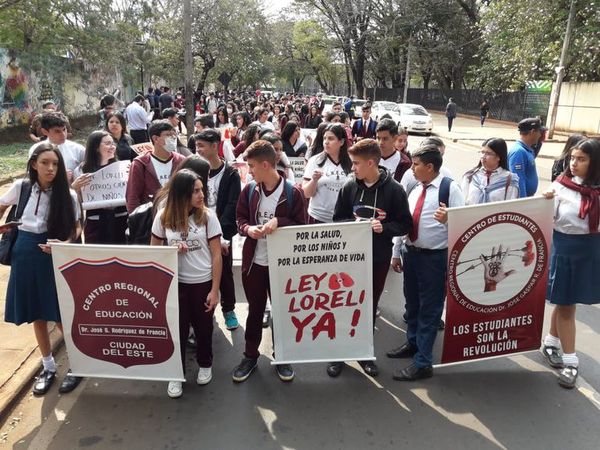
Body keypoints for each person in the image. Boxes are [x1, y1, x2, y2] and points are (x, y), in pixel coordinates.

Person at [0, 142, 82, 395]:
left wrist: (65, 243)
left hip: (51, 253)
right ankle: (48, 367)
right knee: (36, 313)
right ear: (34, 164)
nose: (50, 168)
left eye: (55, 164)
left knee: (58, 313)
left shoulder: (67, 195)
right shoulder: (21, 187)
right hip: (23, 251)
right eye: (45, 163)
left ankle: (77, 365)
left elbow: (76, 227)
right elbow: (2, 205)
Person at [327, 139, 412, 378]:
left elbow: (405, 223)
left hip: (377, 259)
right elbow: (337, 220)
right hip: (348, 260)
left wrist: (383, 228)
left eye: (356, 163)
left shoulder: (394, 190)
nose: (352, 168)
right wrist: (354, 226)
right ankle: (338, 354)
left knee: (368, 306)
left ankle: (364, 353)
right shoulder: (349, 186)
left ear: (371, 163)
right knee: (344, 305)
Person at [232, 140, 306, 383]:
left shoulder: (292, 192)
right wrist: (248, 229)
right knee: (254, 310)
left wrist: (279, 222)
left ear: (265, 164)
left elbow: (302, 227)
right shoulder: (250, 190)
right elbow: (240, 218)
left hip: (283, 265)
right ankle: (250, 355)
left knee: (283, 311)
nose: (249, 171)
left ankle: (282, 356)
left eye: (251, 166)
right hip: (255, 262)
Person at [389, 145, 465, 381]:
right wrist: (396, 251)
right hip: (411, 254)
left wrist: (449, 219)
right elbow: (405, 221)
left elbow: (464, 228)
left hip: (434, 259)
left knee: (429, 310)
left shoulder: (449, 188)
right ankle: (412, 343)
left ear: (430, 167)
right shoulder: (414, 188)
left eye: (416, 164)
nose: (412, 168)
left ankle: (423, 362)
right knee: (412, 304)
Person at [151, 170, 222, 398]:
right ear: (182, 193)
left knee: (203, 328)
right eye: (195, 191)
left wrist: (214, 290)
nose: (201, 195)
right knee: (177, 331)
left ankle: (205, 364)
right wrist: (171, 251)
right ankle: (176, 373)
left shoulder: (208, 217)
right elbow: (153, 252)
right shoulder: (163, 216)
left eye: (202, 190)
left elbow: (216, 255)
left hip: (202, 283)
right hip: (175, 285)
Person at [541, 138, 600, 389]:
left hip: (590, 250)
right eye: (572, 158)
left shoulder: (597, 190)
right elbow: (542, 218)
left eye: (581, 159)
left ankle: (551, 343)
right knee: (566, 305)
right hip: (564, 248)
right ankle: (571, 362)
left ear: (594, 163)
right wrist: (545, 201)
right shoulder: (560, 187)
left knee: (568, 301)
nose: (573, 163)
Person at [194, 130, 241, 331]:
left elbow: (233, 205)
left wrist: (219, 235)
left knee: (224, 273)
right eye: (197, 147)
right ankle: (206, 311)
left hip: (221, 234)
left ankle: (228, 309)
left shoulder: (230, 173)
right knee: (202, 274)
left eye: (202, 146)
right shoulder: (195, 172)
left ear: (215, 146)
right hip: (197, 231)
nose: (199, 151)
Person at [71, 131, 128, 244]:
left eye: (113, 143)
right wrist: (75, 188)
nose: (112, 147)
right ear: (96, 147)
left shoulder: (122, 168)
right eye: (107, 143)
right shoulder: (81, 170)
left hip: (121, 219)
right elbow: (79, 202)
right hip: (95, 222)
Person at [126, 121, 186, 213]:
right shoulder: (140, 164)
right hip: (151, 219)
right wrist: (136, 221)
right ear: (155, 139)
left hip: (178, 216)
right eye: (168, 135)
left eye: (174, 134)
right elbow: (132, 197)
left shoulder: (181, 161)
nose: (173, 138)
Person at [302, 123, 352, 224]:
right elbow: (306, 194)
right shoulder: (314, 161)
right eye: (324, 138)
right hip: (318, 218)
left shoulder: (352, 162)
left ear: (341, 142)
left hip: (344, 219)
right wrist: (314, 180)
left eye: (331, 139)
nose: (326, 142)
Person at [461, 138, 520, 204]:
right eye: (482, 152)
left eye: (488, 153)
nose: (483, 157)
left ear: (499, 157)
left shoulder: (509, 180)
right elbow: (461, 204)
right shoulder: (470, 177)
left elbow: (510, 208)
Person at [28, 112, 85, 182]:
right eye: (57, 131)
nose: (63, 134)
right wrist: (60, 177)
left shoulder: (78, 149)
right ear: (45, 131)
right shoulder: (36, 150)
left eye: (64, 129)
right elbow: (33, 176)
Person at [508, 118, 543, 197]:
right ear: (532, 132)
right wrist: (523, 203)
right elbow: (518, 180)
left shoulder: (527, 150)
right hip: (522, 200)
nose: (540, 135)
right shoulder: (519, 152)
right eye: (539, 132)